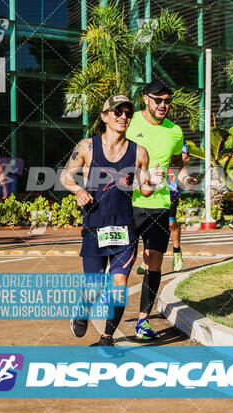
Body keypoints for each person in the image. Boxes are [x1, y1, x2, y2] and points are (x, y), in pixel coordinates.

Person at [60, 95, 163, 347]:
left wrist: (155, 184)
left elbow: (144, 189)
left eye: (127, 112)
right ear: (105, 116)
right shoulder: (87, 147)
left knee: (119, 283)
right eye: (117, 112)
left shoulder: (139, 152)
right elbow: (65, 175)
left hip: (125, 228)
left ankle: (107, 337)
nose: (123, 117)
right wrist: (78, 190)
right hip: (94, 227)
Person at [126, 80, 197, 339]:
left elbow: (177, 159)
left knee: (153, 262)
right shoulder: (129, 121)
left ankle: (143, 321)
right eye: (158, 100)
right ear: (146, 99)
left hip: (159, 204)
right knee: (122, 261)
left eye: (167, 100)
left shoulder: (175, 132)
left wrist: (183, 176)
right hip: (128, 203)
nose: (163, 105)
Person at [137, 140, 189, 274]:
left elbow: (183, 158)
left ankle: (177, 253)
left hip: (169, 189)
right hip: (148, 187)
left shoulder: (174, 138)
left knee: (171, 223)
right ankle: (147, 257)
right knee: (148, 225)